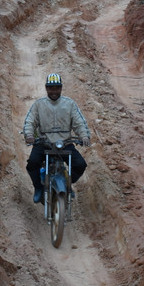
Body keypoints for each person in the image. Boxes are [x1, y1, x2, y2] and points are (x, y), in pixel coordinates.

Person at [23, 73, 91, 204]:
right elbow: (30, 121)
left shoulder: (69, 104)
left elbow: (79, 122)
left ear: (61, 88)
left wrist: (84, 136)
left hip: (65, 143)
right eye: (51, 88)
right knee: (32, 163)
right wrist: (30, 135)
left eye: (57, 88)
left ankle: (66, 184)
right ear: (46, 88)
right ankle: (38, 188)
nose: (54, 91)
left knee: (80, 165)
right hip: (44, 143)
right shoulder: (39, 105)